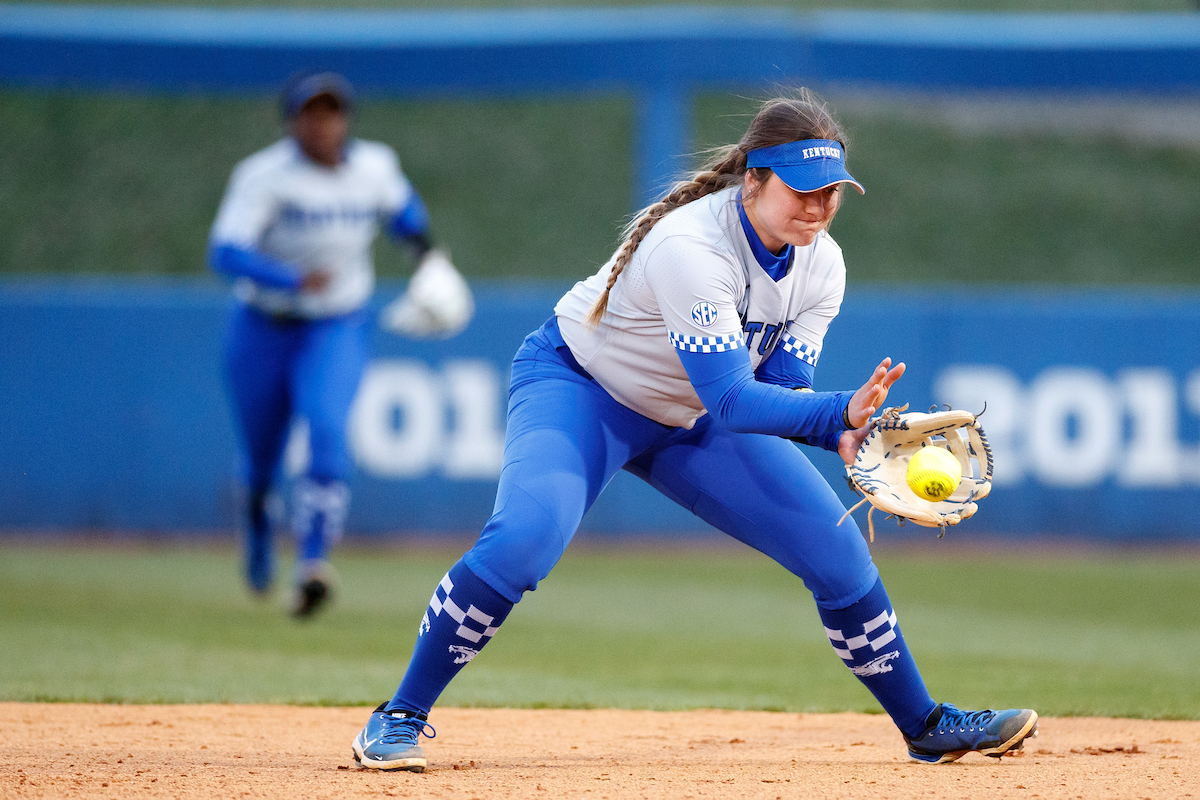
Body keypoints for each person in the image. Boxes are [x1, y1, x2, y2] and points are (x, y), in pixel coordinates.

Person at [350, 89, 1038, 769]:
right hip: (584, 389)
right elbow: (739, 404)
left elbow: (780, 394)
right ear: (753, 181)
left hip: (692, 416)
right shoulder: (692, 245)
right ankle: (401, 712)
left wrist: (842, 433)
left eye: (832, 190)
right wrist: (836, 413)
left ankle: (924, 725)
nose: (818, 204)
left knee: (840, 556)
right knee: (523, 542)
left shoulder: (822, 264)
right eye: (801, 188)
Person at [208, 72, 473, 618]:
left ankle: (312, 563)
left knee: (327, 430)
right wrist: (288, 279)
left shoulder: (373, 166)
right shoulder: (265, 177)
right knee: (261, 459)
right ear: (292, 120)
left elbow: (405, 215)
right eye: (311, 113)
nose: (322, 124)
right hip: (263, 325)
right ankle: (258, 520)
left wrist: (428, 256)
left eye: (332, 113)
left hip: (335, 324)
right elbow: (226, 252)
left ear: (345, 119)